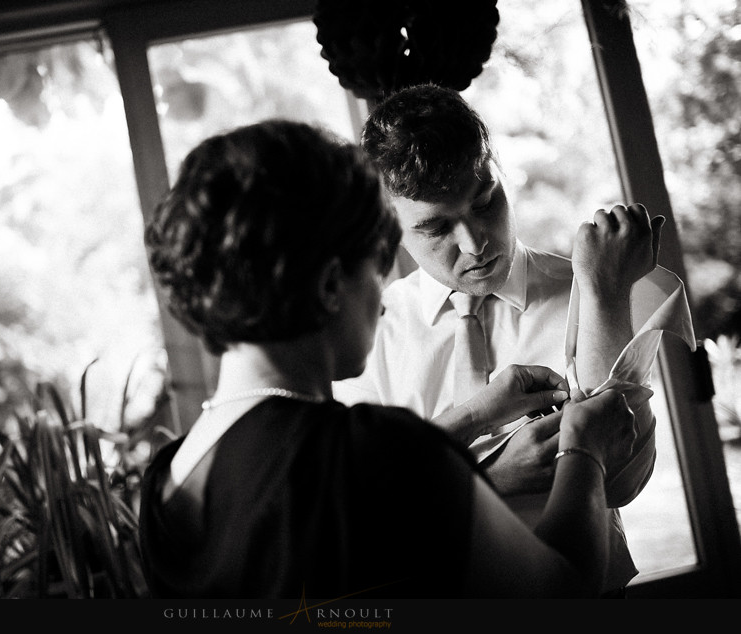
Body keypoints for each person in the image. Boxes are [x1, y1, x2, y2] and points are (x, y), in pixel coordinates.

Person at [139, 118, 636, 599]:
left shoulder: (165, 481)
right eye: (374, 269)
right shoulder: (374, 449)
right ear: (330, 286)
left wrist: (473, 415)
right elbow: (560, 590)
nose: (381, 302)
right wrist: (584, 449)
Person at [333, 83, 665, 596]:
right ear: (389, 228)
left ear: (502, 175)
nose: (475, 244)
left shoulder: (597, 289)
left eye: (485, 202)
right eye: (436, 228)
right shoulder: (370, 330)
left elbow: (623, 480)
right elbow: (360, 508)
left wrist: (604, 295)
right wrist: (491, 478)